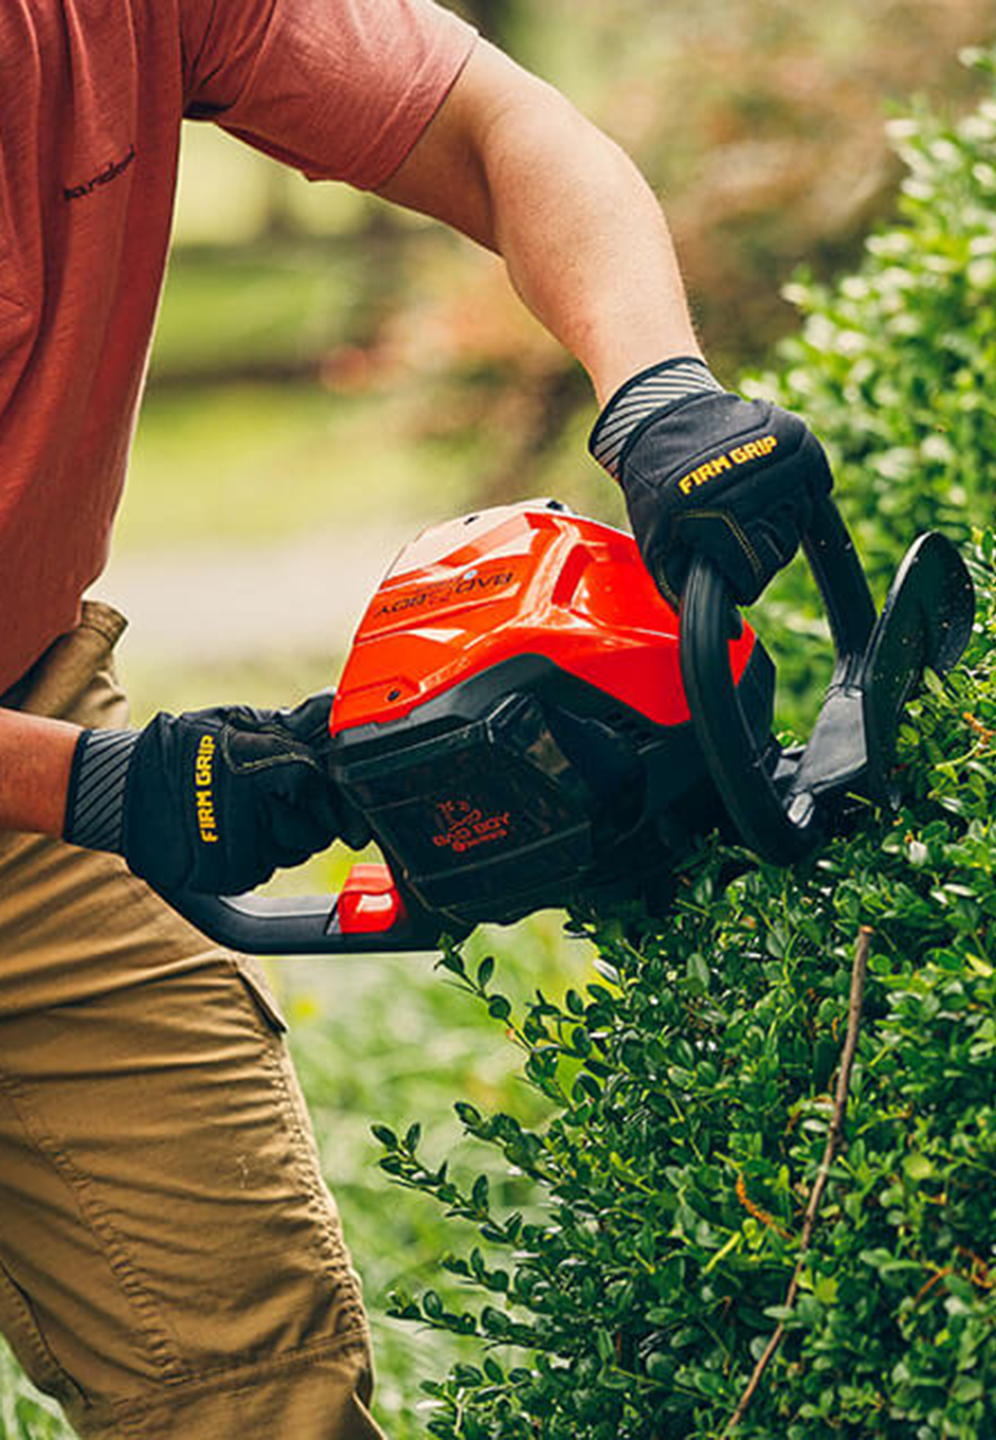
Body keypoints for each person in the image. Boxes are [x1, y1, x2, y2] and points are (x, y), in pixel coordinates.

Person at [0, 0, 831, 1433]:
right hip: (41, 773)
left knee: (252, 1378)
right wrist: (88, 789)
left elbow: (497, 128)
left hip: (26, 706)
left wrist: (658, 392)